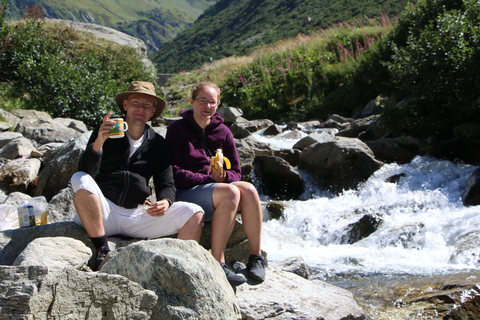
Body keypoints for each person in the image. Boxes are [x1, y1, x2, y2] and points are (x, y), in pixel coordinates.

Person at [70, 81, 204, 271]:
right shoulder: (107, 130)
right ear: (125, 105)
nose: (140, 108)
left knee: (194, 212)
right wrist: (99, 141)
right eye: (136, 102)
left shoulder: (158, 143)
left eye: (147, 105)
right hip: (103, 212)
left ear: (152, 111)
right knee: (79, 179)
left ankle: (180, 270)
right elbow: (86, 171)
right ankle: (102, 250)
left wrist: (166, 202)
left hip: (136, 215)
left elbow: (166, 182)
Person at [165, 82, 265, 286]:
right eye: (202, 101)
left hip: (216, 191)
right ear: (192, 101)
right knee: (230, 192)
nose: (207, 106)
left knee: (249, 189)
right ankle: (218, 261)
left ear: (218, 104)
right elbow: (172, 172)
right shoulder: (177, 130)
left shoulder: (223, 132)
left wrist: (223, 178)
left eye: (212, 102)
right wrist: (210, 179)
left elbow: (236, 171)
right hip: (186, 193)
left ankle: (256, 256)